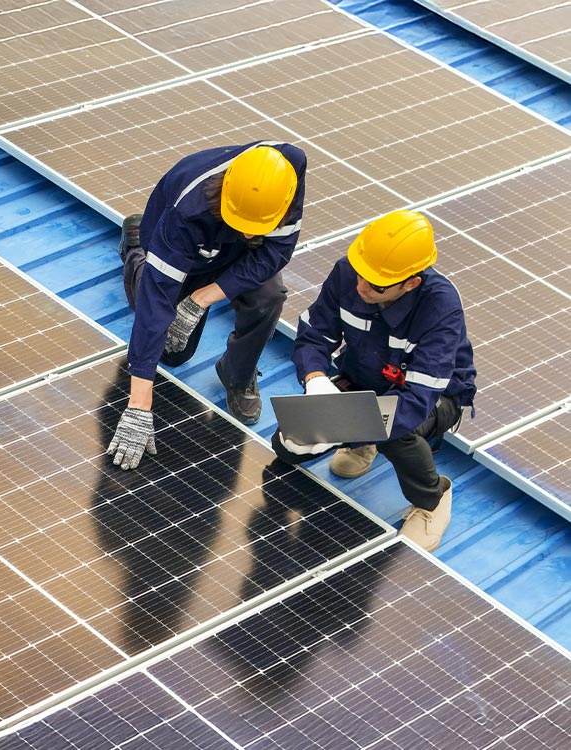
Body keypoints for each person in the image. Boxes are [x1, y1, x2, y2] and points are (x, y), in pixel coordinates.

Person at [272, 210, 476, 552]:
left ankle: (432, 499)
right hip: (363, 376)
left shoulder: (440, 308)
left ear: (411, 282)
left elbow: (416, 401)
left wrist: (345, 427)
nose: (361, 287)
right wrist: (316, 381)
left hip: (430, 398)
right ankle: (363, 440)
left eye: (376, 284)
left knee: (397, 434)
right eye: (360, 275)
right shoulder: (351, 272)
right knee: (286, 448)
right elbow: (314, 335)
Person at [108, 142, 307, 470]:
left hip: (236, 254)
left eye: (254, 226)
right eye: (242, 221)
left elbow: (275, 252)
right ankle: (135, 251)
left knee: (269, 297)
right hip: (188, 247)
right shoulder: (187, 212)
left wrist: (203, 298)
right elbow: (156, 305)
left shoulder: (285, 176)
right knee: (171, 352)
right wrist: (139, 405)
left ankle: (238, 373)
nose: (246, 231)